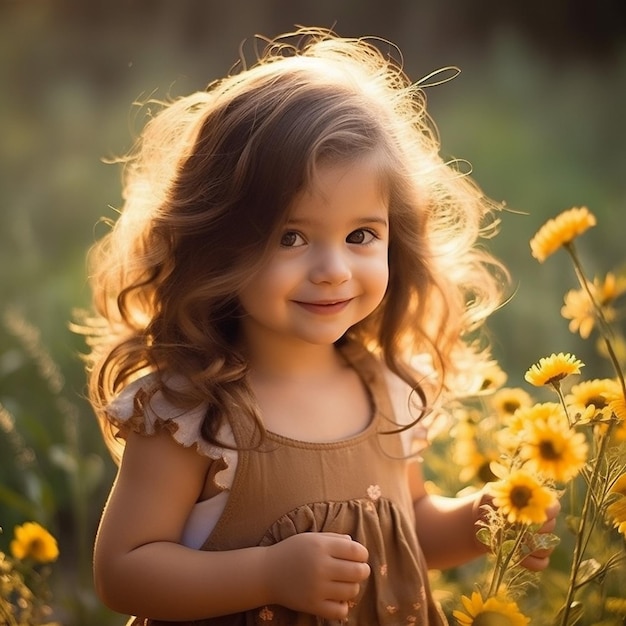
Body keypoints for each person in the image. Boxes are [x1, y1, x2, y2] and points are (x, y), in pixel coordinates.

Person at [80, 27, 559, 625]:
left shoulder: (387, 390)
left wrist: (480, 522)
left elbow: (404, 535)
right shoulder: (192, 410)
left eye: (361, 236)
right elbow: (124, 572)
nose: (333, 271)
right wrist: (267, 574)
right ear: (219, 243)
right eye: (291, 237)